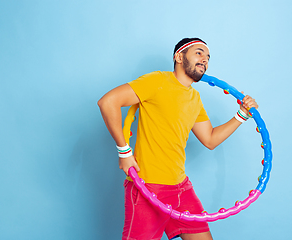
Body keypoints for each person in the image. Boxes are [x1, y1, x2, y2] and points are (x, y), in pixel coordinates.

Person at [98, 38, 258, 240]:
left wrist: (241, 115)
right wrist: (124, 151)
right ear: (179, 57)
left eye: (208, 57)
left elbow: (209, 139)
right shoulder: (157, 81)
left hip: (181, 187)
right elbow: (108, 102)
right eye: (199, 53)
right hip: (148, 187)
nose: (205, 60)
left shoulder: (194, 98)